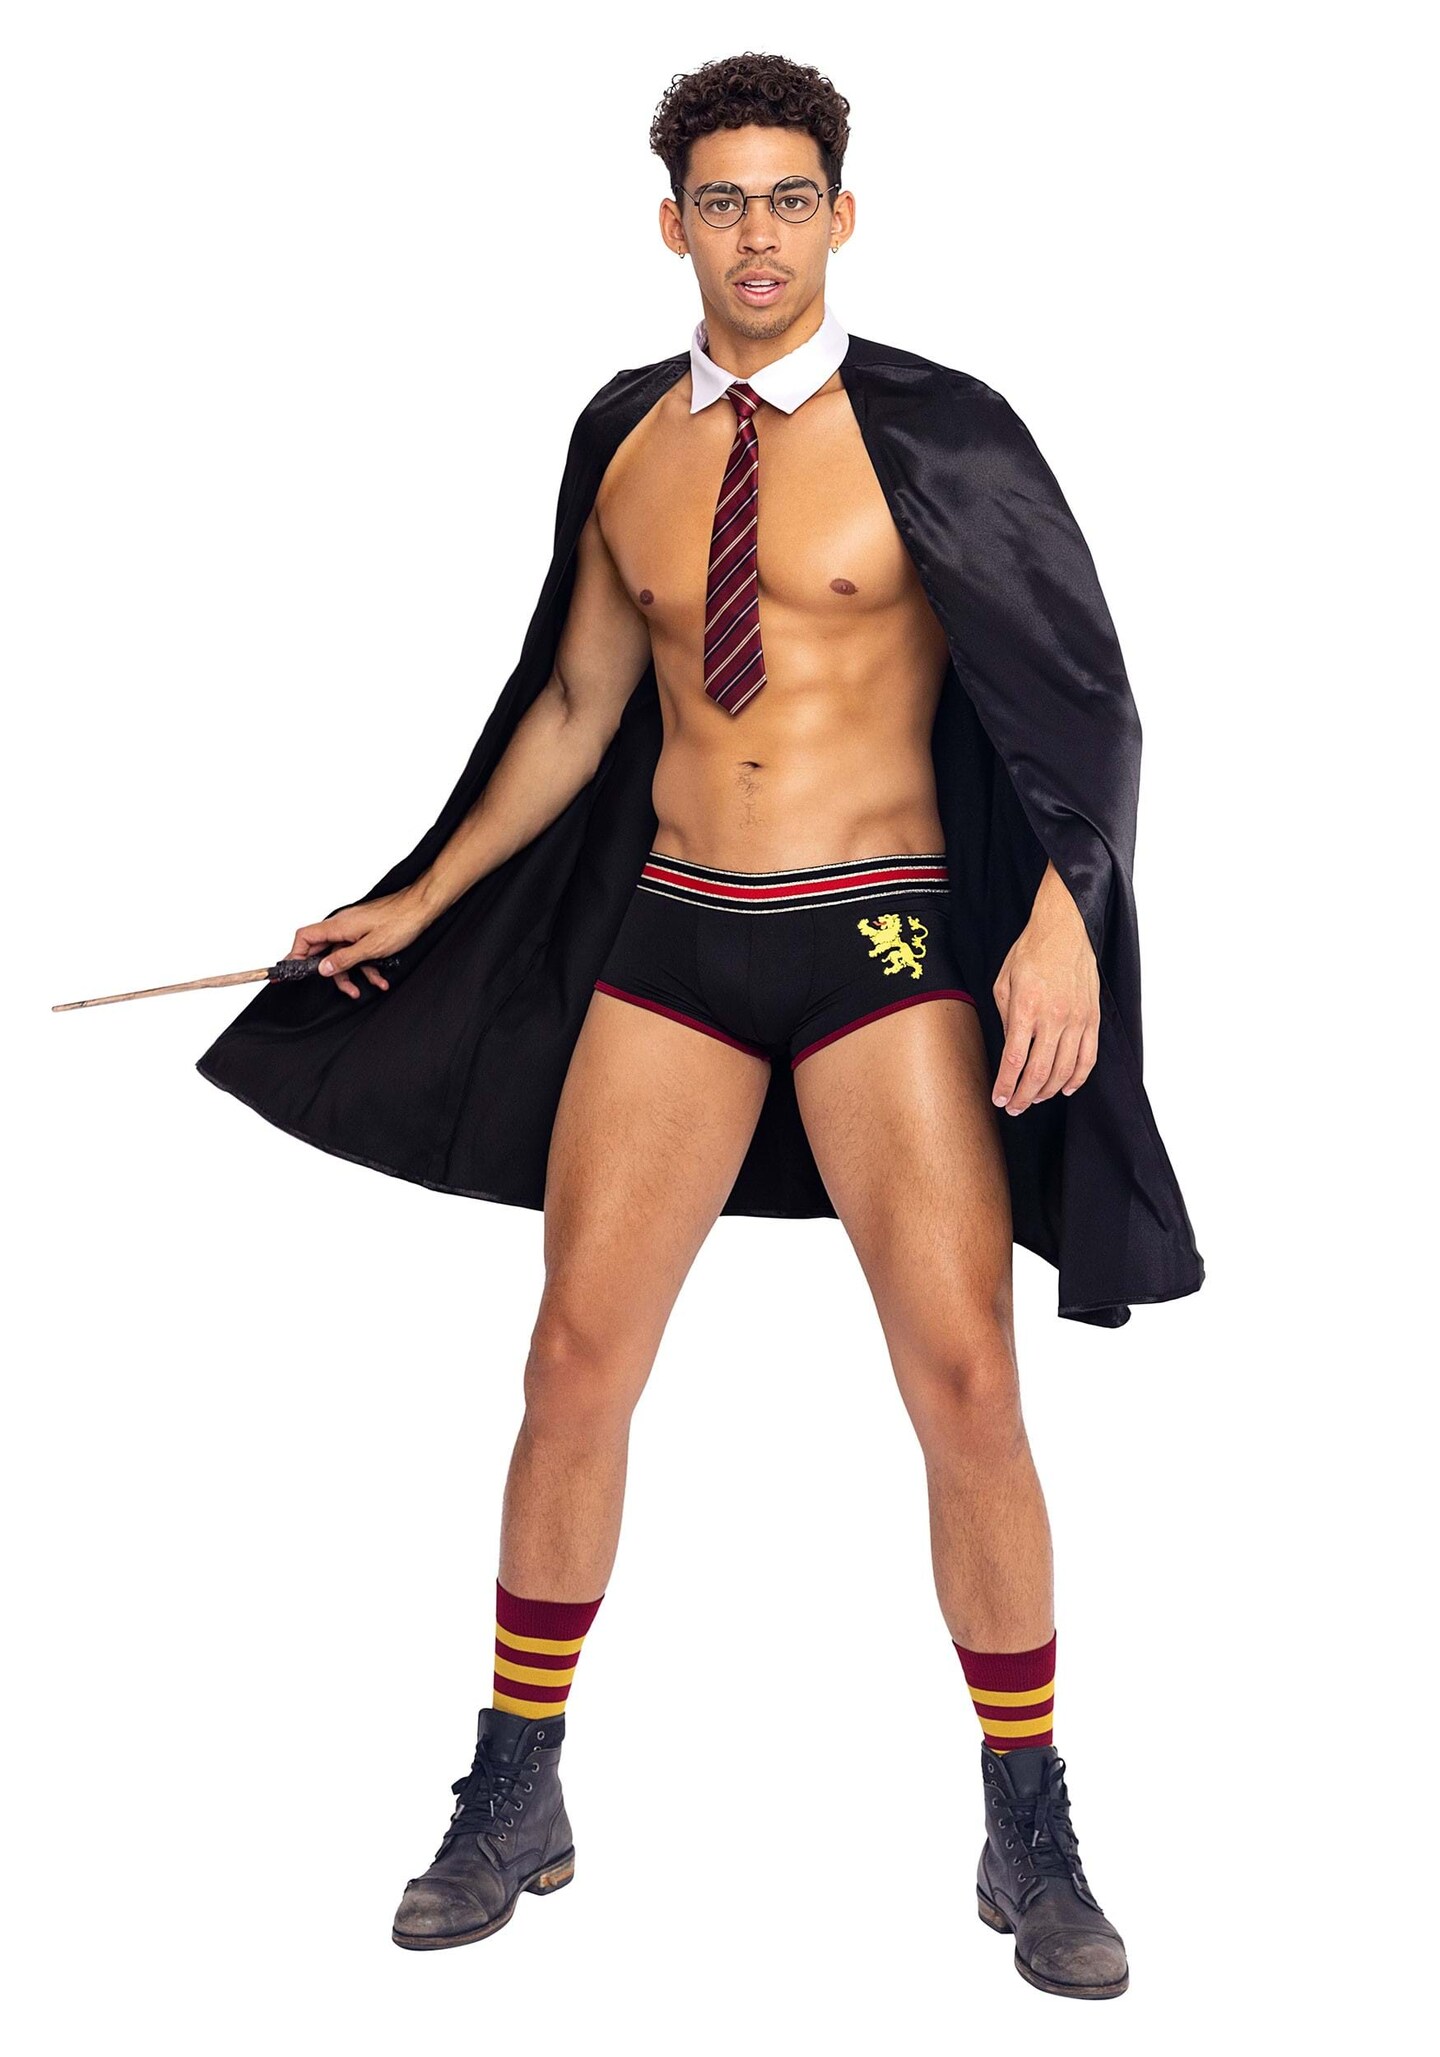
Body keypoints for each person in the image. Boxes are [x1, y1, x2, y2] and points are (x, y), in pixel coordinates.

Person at [197, 51, 1203, 1996]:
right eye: (723, 201)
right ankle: (515, 1784)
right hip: (676, 935)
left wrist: (1067, 916)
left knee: (966, 1382)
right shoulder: (626, 440)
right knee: (574, 1361)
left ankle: (1028, 1816)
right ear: (672, 224)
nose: (758, 234)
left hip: (880, 940)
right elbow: (580, 703)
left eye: (789, 198)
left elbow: (1087, 704)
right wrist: (421, 896)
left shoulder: (941, 432)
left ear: (843, 216)